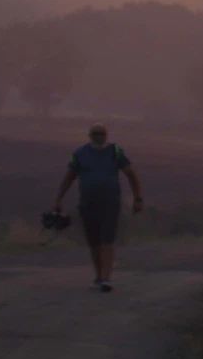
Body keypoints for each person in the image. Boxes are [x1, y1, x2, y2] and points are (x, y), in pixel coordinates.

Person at [53, 123, 143, 293]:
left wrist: (138, 198)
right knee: (93, 242)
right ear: (90, 135)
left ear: (107, 135)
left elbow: (131, 175)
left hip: (110, 203)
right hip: (87, 203)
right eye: (96, 134)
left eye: (102, 133)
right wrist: (58, 198)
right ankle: (99, 277)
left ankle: (106, 279)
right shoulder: (79, 153)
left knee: (106, 240)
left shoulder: (115, 152)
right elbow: (68, 178)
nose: (99, 136)